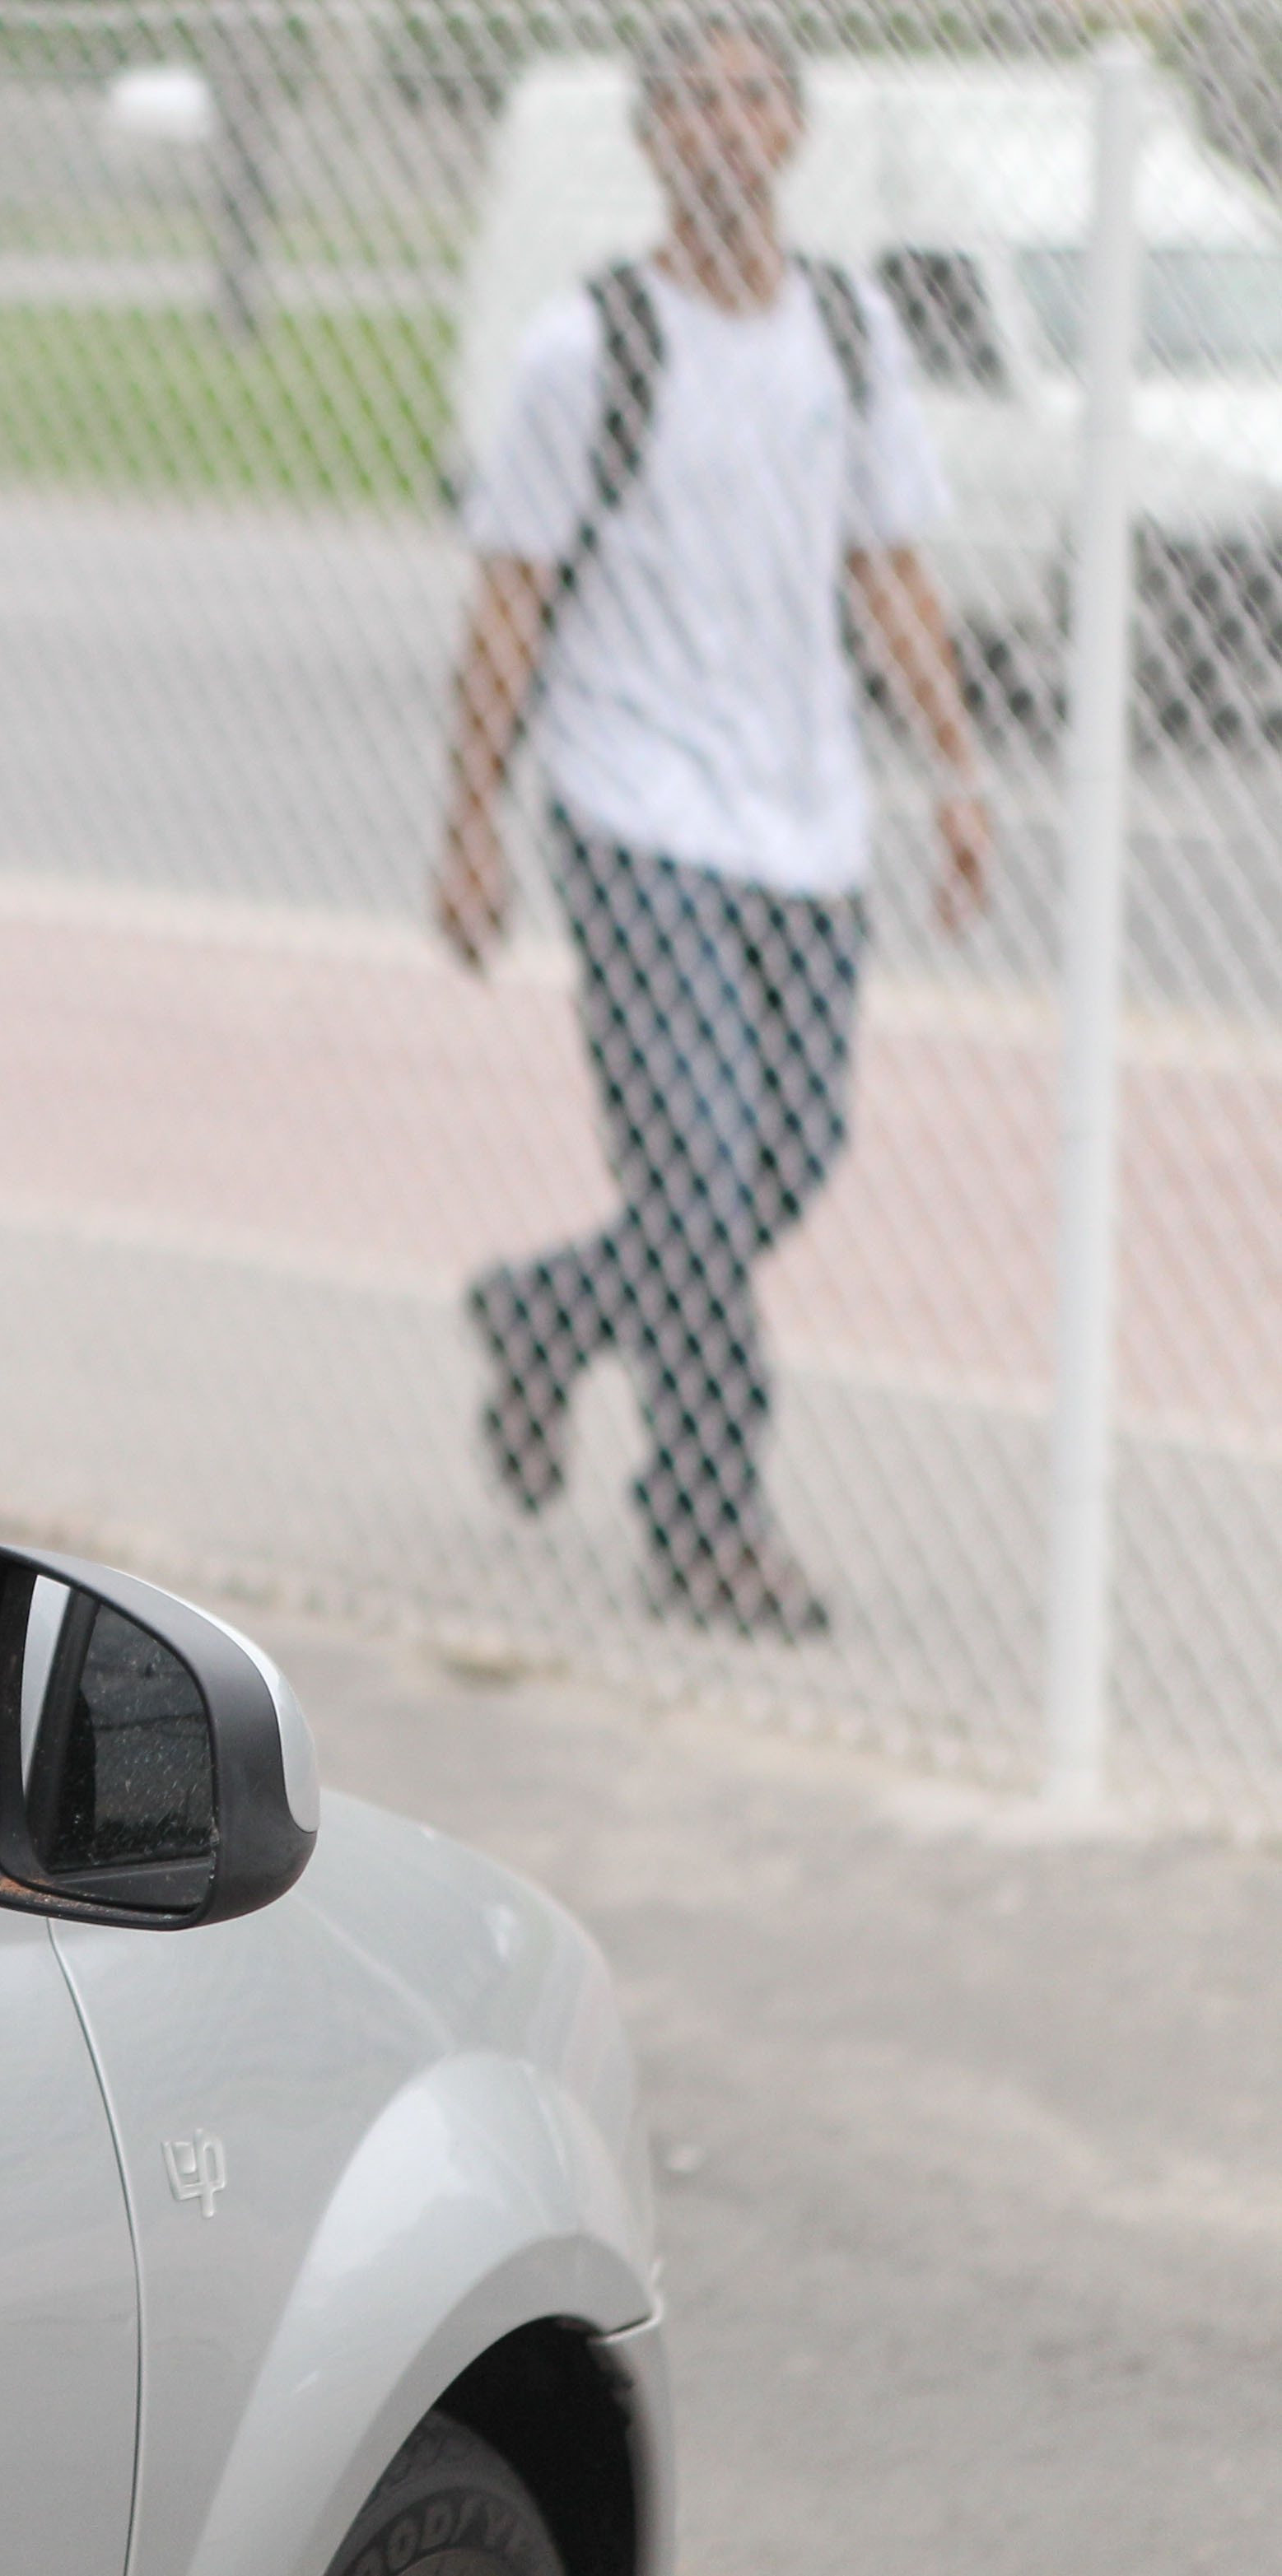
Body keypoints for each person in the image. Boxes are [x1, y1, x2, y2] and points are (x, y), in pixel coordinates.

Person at [432, 9, 993, 1636]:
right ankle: (709, 1518)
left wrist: (956, 769)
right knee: (694, 1168)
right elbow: (509, 602)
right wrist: (470, 822)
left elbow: (889, 559)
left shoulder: (849, 328)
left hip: (804, 817)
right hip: (634, 804)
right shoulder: (583, 347)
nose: (732, 126)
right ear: (654, 135)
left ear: (796, 132)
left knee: (788, 1153)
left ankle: (541, 1314)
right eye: (699, 100)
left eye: (759, 97)